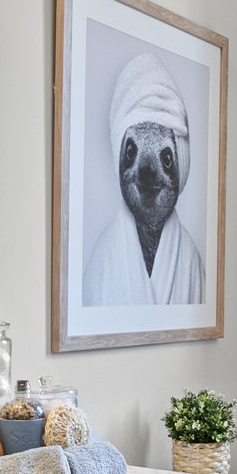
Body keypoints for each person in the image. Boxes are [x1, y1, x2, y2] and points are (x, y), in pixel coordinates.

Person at [84, 52, 206, 306]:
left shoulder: (190, 259)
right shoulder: (103, 258)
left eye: (166, 159)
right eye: (132, 152)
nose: (147, 169)